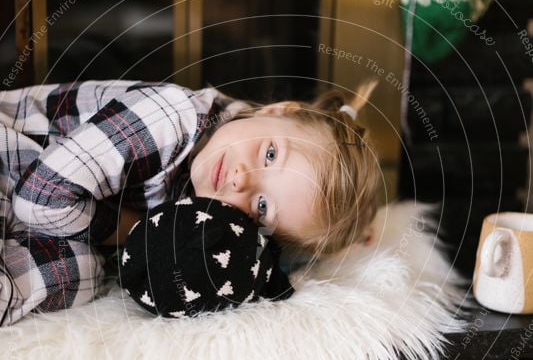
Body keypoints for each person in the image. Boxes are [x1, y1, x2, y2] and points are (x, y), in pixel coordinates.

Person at [0, 78, 380, 326]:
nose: (240, 179)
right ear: (277, 110)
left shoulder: (222, 214)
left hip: (56, 221)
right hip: (16, 163)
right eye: (270, 155)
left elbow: (272, 250)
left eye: (262, 206)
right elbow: (38, 201)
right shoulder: (172, 116)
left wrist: (347, 233)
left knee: (83, 275)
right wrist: (137, 232)